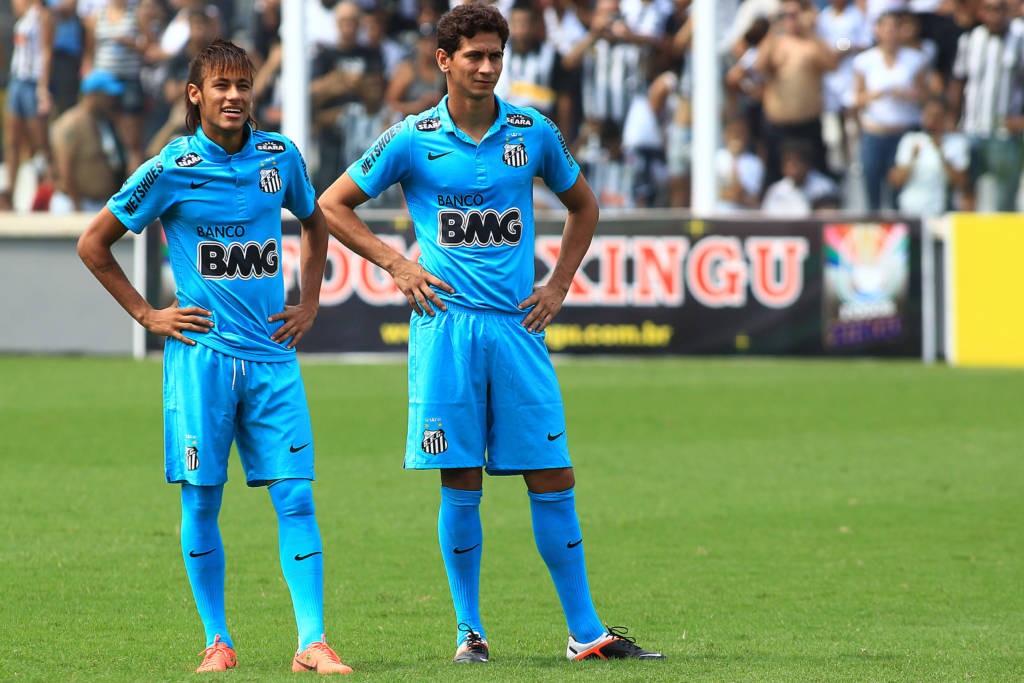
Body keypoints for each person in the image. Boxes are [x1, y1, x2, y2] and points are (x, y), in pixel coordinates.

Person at [318, 3, 665, 664]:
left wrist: (558, 283)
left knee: (553, 473)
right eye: (473, 55)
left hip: (515, 328)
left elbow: (584, 205)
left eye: (495, 55)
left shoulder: (532, 131)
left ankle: (586, 633)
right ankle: (469, 633)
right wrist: (396, 263)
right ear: (443, 60)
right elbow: (332, 204)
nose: (486, 67)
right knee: (460, 477)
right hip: (445, 331)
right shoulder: (411, 138)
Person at [76, 39, 352, 675]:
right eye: (221, 86)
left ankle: (312, 642)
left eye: (243, 85)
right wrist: (148, 314)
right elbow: (94, 243)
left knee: (296, 497)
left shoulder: (280, 157)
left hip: (272, 360)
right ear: (195, 94)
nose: (234, 96)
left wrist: (309, 302)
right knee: (201, 502)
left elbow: (314, 222)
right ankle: (217, 642)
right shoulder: (168, 168)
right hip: (201, 361)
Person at [851, 10, 928, 211]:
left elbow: (925, 95)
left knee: (899, 188)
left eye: (894, 28)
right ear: (877, 31)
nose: (890, 33)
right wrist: (875, 95)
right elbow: (856, 98)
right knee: (871, 180)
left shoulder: (915, 59)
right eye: (885, 28)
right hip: (875, 131)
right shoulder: (864, 61)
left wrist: (906, 95)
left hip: (903, 131)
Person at [49, 69, 126, 213]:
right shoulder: (72, 124)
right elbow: (65, 170)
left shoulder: (102, 121)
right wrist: (77, 207)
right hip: (75, 204)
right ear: (94, 95)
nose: (112, 100)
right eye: (107, 96)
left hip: (97, 203)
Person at [2, 0, 54, 212]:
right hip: (17, 79)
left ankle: (47, 192)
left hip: (33, 82)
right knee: (12, 140)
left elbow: (46, 51)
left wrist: (43, 87)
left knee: (39, 141)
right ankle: (10, 194)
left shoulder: (44, 16)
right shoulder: (24, 15)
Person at [888, 94, 969, 216]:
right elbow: (895, 181)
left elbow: (961, 183)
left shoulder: (956, 143)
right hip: (909, 210)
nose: (932, 121)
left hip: (940, 211)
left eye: (937, 116)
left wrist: (941, 154)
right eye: (928, 115)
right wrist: (912, 159)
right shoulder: (910, 140)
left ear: (945, 118)